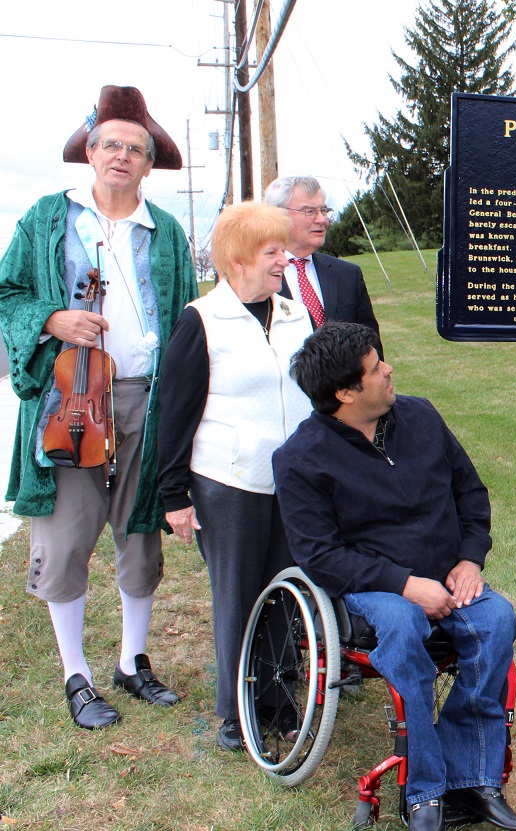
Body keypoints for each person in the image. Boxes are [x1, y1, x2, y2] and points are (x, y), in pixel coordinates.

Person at [274, 322, 516, 831]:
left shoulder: (421, 416)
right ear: (345, 392)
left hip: (449, 575)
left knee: (497, 618)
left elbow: (471, 495)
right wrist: (406, 585)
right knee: (404, 625)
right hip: (373, 589)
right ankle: (424, 789)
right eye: (374, 367)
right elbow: (320, 555)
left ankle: (473, 779)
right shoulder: (300, 460)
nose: (388, 369)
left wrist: (471, 558)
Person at [0, 86, 196, 730]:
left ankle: (132, 661)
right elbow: (9, 292)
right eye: (110, 144)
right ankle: (75, 673)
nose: (121, 156)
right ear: (90, 151)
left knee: (139, 532)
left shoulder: (164, 231)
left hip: (145, 397)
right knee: (65, 536)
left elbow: (184, 318)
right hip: (68, 399)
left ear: (149, 163)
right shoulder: (47, 219)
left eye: (134, 149)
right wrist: (53, 317)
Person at [157, 201, 313, 751]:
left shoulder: (296, 314)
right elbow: (172, 413)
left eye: (282, 250)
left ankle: (279, 699)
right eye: (272, 252)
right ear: (238, 261)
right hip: (228, 482)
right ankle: (236, 712)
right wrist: (173, 495)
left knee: (285, 592)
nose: (283, 260)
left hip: (291, 482)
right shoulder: (201, 320)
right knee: (239, 595)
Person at [262, 175, 381, 353]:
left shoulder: (348, 275)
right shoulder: (256, 277)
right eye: (309, 211)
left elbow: (370, 347)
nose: (322, 220)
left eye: (324, 210)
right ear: (278, 215)